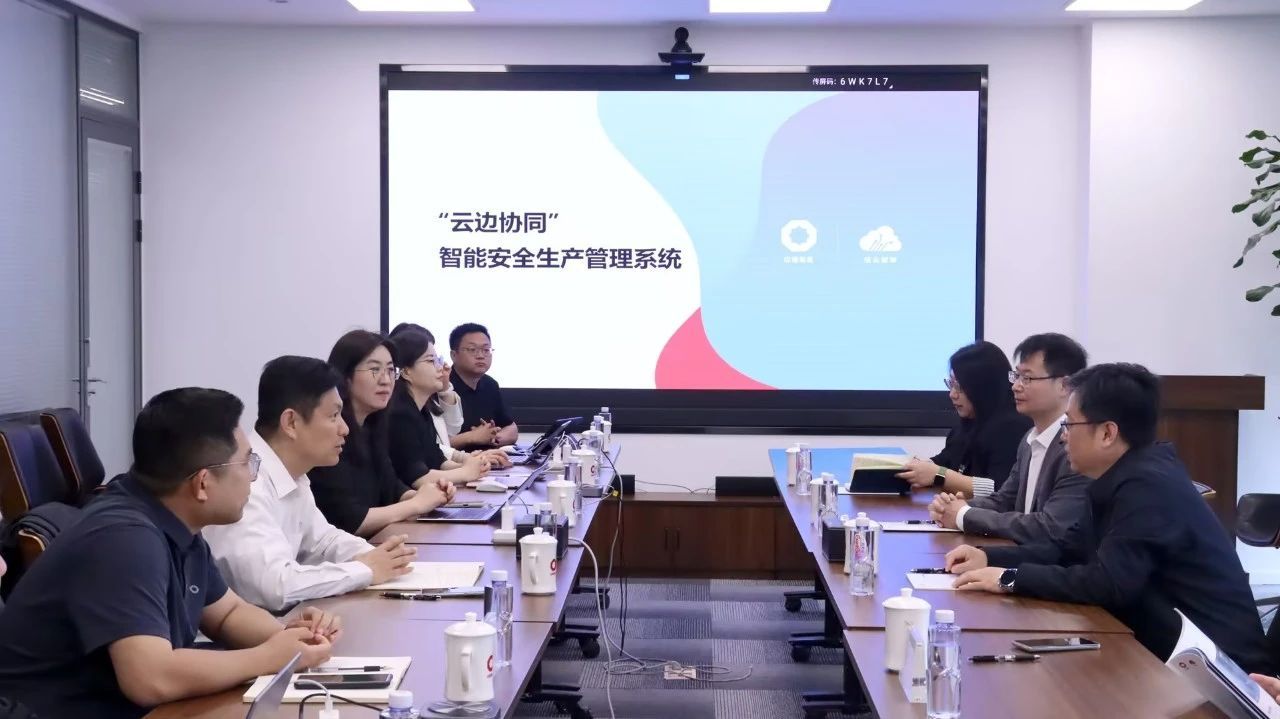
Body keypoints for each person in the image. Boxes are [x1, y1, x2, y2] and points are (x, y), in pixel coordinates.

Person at [0, 388, 341, 718]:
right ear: (202, 483)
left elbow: (227, 613)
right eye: (247, 464)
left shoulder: (174, 519)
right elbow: (150, 678)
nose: (252, 478)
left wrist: (291, 637)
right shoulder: (124, 538)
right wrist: (269, 657)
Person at [948, 363, 1275, 675]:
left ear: (1107, 433)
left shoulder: (1147, 486)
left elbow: (1108, 584)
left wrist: (1009, 579)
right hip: (1166, 652)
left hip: (1222, 671)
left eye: (1069, 425)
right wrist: (989, 558)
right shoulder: (1122, 475)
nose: (1063, 437)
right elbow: (1067, 548)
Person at [203, 356, 417, 612]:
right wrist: (364, 569)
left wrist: (377, 556)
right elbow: (275, 586)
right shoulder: (248, 483)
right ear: (291, 423)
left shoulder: (293, 473)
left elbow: (322, 541)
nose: (345, 429)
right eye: (334, 416)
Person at [929, 333, 1091, 544]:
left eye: (1027, 378)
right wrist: (955, 507)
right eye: (1016, 376)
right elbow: (1005, 500)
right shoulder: (1029, 440)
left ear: (1064, 385)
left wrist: (963, 515)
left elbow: (1050, 526)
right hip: (1020, 555)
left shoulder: (1076, 447)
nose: (1016, 386)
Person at [309, 330, 455, 538]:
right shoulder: (330, 435)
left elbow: (392, 487)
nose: (386, 380)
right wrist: (416, 504)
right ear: (345, 376)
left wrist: (429, 495)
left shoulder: (371, 427)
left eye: (390, 370)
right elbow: (350, 521)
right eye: (375, 370)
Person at [897, 341, 1031, 498]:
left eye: (959, 386)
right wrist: (917, 467)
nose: (952, 394)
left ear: (984, 387)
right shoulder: (968, 423)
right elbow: (945, 461)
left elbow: (999, 489)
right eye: (951, 384)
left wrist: (940, 475)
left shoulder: (1013, 427)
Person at [388, 324, 511, 470]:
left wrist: (471, 460)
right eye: (430, 360)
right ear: (405, 369)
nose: (441, 367)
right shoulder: (399, 410)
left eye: (437, 359)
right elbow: (418, 473)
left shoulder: (426, 403)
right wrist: (469, 464)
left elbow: (440, 446)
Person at [449, 322, 519, 450]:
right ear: (454, 355)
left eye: (486, 350)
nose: (481, 356)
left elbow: (511, 428)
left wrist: (493, 438)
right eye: (472, 350)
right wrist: (472, 437)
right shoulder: (442, 386)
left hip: (489, 459)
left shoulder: (490, 384)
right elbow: (432, 445)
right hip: (454, 461)